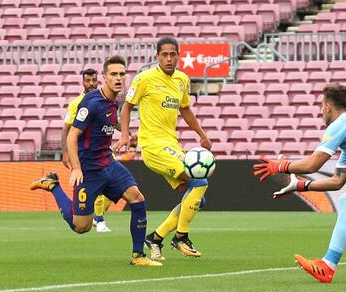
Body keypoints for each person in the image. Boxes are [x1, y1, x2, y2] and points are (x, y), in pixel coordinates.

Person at [253, 83, 346, 283]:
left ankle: (327, 265)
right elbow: (336, 181)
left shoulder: (341, 124)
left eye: (320, 106)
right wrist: (299, 186)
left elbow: (312, 165)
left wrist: (280, 166)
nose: (320, 111)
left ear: (327, 107)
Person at [31, 55, 161, 267]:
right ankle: (53, 185)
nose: (119, 78)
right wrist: (76, 167)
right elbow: (73, 135)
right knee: (81, 226)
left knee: (137, 198)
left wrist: (126, 133)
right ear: (105, 77)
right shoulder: (91, 102)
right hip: (89, 170)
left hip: (108, 163)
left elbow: (111, 121)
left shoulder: (113, 101)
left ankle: (138, 256)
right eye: (114, 74)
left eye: (122, 74)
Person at [114, 37, 212, 261]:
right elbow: (127, 106)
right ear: (157, 56)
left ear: (178, 55)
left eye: (172, 54)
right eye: (164, 55)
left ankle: (156, 238)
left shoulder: (182, 80)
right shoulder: (145, 78)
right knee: (201, 181)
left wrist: (202, 134)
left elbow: (185, 110)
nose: (169, 59)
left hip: (171, 144)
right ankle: (181, 237)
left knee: (197, 199)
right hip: (152, 146)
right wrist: (125, 134)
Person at [61, 68, 112, 233]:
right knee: (82, 222)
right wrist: (66, 153)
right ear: (82, 82)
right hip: (84, 156)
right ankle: (98, 219)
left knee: (117, 188)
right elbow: (67, 129)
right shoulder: (77, 103)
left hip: (102, 151)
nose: (91, 83)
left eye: (93, 80)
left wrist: (127, 132)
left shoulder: (103, 98)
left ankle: (99, 218)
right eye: (87, 80)